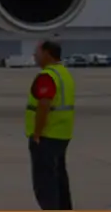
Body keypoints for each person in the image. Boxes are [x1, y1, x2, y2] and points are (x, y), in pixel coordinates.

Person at [27, 40, 76, 210]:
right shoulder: (64, 73)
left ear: (47, 53)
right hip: (62, 134)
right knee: (59, 180)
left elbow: (44, 105)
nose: (34, 56)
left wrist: (37, 133)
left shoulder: (47, 76)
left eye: (37, 52)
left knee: (45, 184)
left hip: (47, 136)